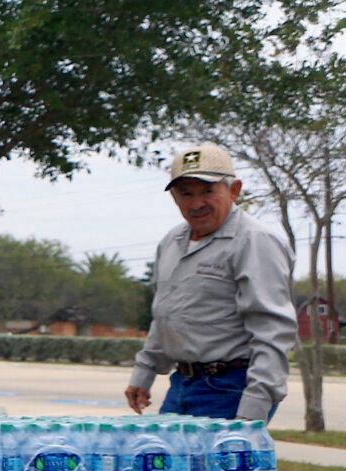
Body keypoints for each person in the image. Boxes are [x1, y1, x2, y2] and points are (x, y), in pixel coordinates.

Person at [124, 143, 296, 422]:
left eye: (208, 191)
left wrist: (254, 409)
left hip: (231, 388)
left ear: (234, 190)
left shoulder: (254, 241)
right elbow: (166, 316)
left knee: (215, 468)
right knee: (167, 465)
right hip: (182, 384)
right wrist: (144, 373)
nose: (196, 203)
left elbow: (273, 330)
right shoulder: (171, 242)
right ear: (174, 198)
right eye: (185, 193)